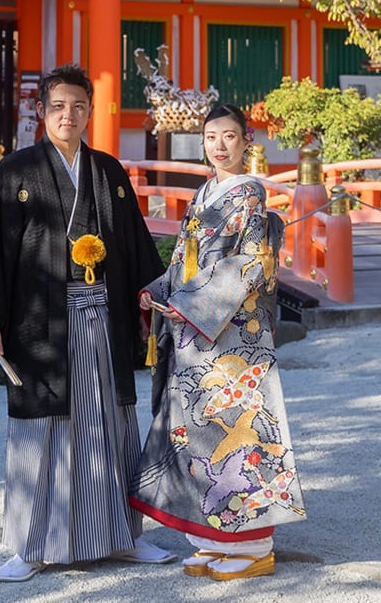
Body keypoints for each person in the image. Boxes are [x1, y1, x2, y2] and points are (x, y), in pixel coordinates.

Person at [0, 63, 177, 582]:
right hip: (42, 322)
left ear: (90, 112)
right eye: (58, 106)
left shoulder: (109, 173)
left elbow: (135, 250)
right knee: (44, 425)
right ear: (41, 112)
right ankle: (29, 547)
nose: (68, 116)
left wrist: (147, 301)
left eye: (78, 106)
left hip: (103, 315)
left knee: (110, 423)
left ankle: (122, 536)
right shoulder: (15, 173)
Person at [130, 103, 305, 580]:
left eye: (230, 136)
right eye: (211, 137)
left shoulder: (249, 193)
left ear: (247, 142)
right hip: (195, 331)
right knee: (199, 438)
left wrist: (188, 304)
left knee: (235, 435)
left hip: (231, 338)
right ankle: (211, 539)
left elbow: (247, 264)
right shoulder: (206, 191)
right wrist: (158, 290)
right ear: (202, 142)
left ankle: (251, 547)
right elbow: (185, 259)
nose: (220, 145)